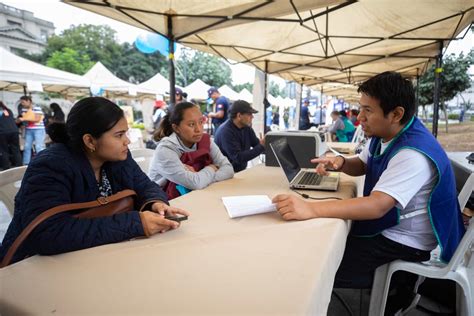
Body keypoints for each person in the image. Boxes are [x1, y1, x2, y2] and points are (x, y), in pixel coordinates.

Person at [272, 72, 464, 312]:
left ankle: (399, 290)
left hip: (404, 242)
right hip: (391, 227)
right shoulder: (386, 133)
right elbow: (362, 164)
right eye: (360, 108)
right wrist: (341, 162)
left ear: (396, 114)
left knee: (316, 260)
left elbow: (376, 206)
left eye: (367, 110)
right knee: (323, 237)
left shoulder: (413, 153)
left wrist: (309, 208)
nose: (359, 117)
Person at [0, 97, 189, 265]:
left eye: (126, 133)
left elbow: (145, 185)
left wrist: (155, 203)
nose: (127, 141)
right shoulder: (51, 166)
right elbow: (48, 233)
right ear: (90, 141)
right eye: (119, 135)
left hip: (90, 260)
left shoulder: (117, 158)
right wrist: (136, 224)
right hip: (27, 269)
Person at [148, 101, 233, 199]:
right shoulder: (166, 149)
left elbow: (228, 169)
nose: (199, 129)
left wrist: (201, 178)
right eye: (191, 124)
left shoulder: (205, 140)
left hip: (193, 195)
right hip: (162, 200)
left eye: (201, 122)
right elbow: (195, 183)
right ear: (176, 128)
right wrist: (211, 168)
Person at [214, 100, 265, 173]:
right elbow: (238, 157)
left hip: (239, 172)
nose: (252, 117)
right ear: (239, 116)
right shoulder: (226, 131)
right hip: (225, 175)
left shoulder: (247, 128)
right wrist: (262, 146)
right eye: (249, 114)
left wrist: (267, 145)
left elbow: (257, 144)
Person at [17, 96, 46, 165]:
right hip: (29, 129)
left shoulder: (37, 108)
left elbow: (37, 119)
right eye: (21, 102)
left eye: (23, 102)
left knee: (39, 147)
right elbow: (23, 120)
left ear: (28, 101)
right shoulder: (23, 110)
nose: (22, 104)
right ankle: (26, 163)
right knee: (27, 147)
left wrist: (24, 119)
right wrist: (19, 120)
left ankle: (42, 163)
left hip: (38, 129)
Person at [0, 101, 22, 170]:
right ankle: (19, 165)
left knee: (4, 150)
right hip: (14, 131)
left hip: (3, 132)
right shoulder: (8, 110)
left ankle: (6, 167)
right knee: (16, 149)